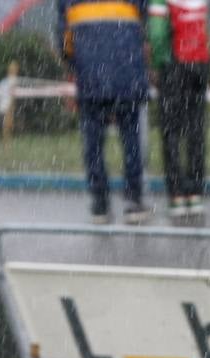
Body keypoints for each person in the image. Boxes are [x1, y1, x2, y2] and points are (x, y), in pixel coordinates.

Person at [56, 0, 153, 225]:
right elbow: (144, 26)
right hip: (127, 73)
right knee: (131, 139)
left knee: (93, 142)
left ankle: (100, 203)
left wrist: (75, 63)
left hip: (90, 76)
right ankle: (134, 201)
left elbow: (64, 39)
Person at [147, 0, 210, 222]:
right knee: (196, 131)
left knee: (171, 132)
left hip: (174, 66)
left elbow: (156, 34)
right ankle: (195, 193)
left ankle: (176, 195)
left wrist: (157, 63)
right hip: (200, 63)